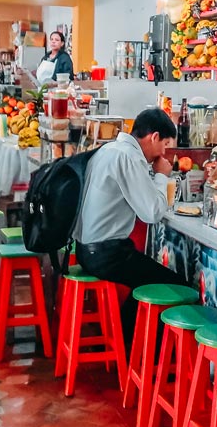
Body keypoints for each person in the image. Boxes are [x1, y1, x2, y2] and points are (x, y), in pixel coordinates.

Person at [74, 107, 191, 342]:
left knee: (147, 282)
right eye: (165, 145)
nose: (164, 152)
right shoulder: (128, 157)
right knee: (177, 285)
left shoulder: (109, 150)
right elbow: (152, 212)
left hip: (85, 249)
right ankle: (140, 353)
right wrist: (161, 175)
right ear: (153, 137)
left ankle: (126, 342)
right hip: (105, 253)